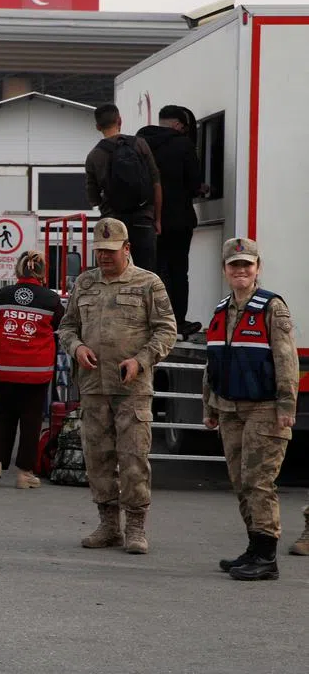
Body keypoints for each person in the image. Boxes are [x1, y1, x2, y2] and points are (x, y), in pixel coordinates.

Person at [57, 218, 176, 554]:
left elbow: (167, 330)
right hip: (93, 386)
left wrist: (141, 360)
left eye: (111, 251)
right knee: (98, 457)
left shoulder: (148, 284)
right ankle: (109, 525)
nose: (104, 257)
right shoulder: (85, 283)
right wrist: (77, 348)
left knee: (134, 456)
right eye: (99, 251)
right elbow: (67, 327)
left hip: (132, 387)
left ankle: (136, 526)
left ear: (127, 248)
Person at [203, 238, 298, 581]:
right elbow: (212, 362)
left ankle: (266, 556)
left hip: (265, 408)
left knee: (259, 481)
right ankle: (254, 547)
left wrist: (287, 405)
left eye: (247, 264)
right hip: (228, 407)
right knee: (240, 481)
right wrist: (209, 405)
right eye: (234, 265)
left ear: (258, 268)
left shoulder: (272, 307)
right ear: (225, 270)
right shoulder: (220, 310)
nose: (241, 270)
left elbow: (286, 360)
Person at [0, 251, 63, 488]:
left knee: (1, 415)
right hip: (35, 371)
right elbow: (59, 325)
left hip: (5, 368)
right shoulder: (50, 299)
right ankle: (24, 473)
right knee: (31, 419)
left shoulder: (4, 294)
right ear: (41, 272)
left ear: (19, 270)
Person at [136, 105, 204, 338]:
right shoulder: (183, 144)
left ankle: (150, 321)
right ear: (177, 124)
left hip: (146, 221)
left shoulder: (140, 143)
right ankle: (177, 322)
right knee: (177, 272)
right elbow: (195, 183)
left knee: (152, 272)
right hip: (178, 221)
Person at [84, 103, 162, 271]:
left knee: (114, 273)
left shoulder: (93, 156)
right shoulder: (140, 144)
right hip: (143, 219)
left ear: (98, 127)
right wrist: (157, 219)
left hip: (112, 223)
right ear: (120, 120)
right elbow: (156, 182)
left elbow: (94, 198)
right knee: (146, 273)